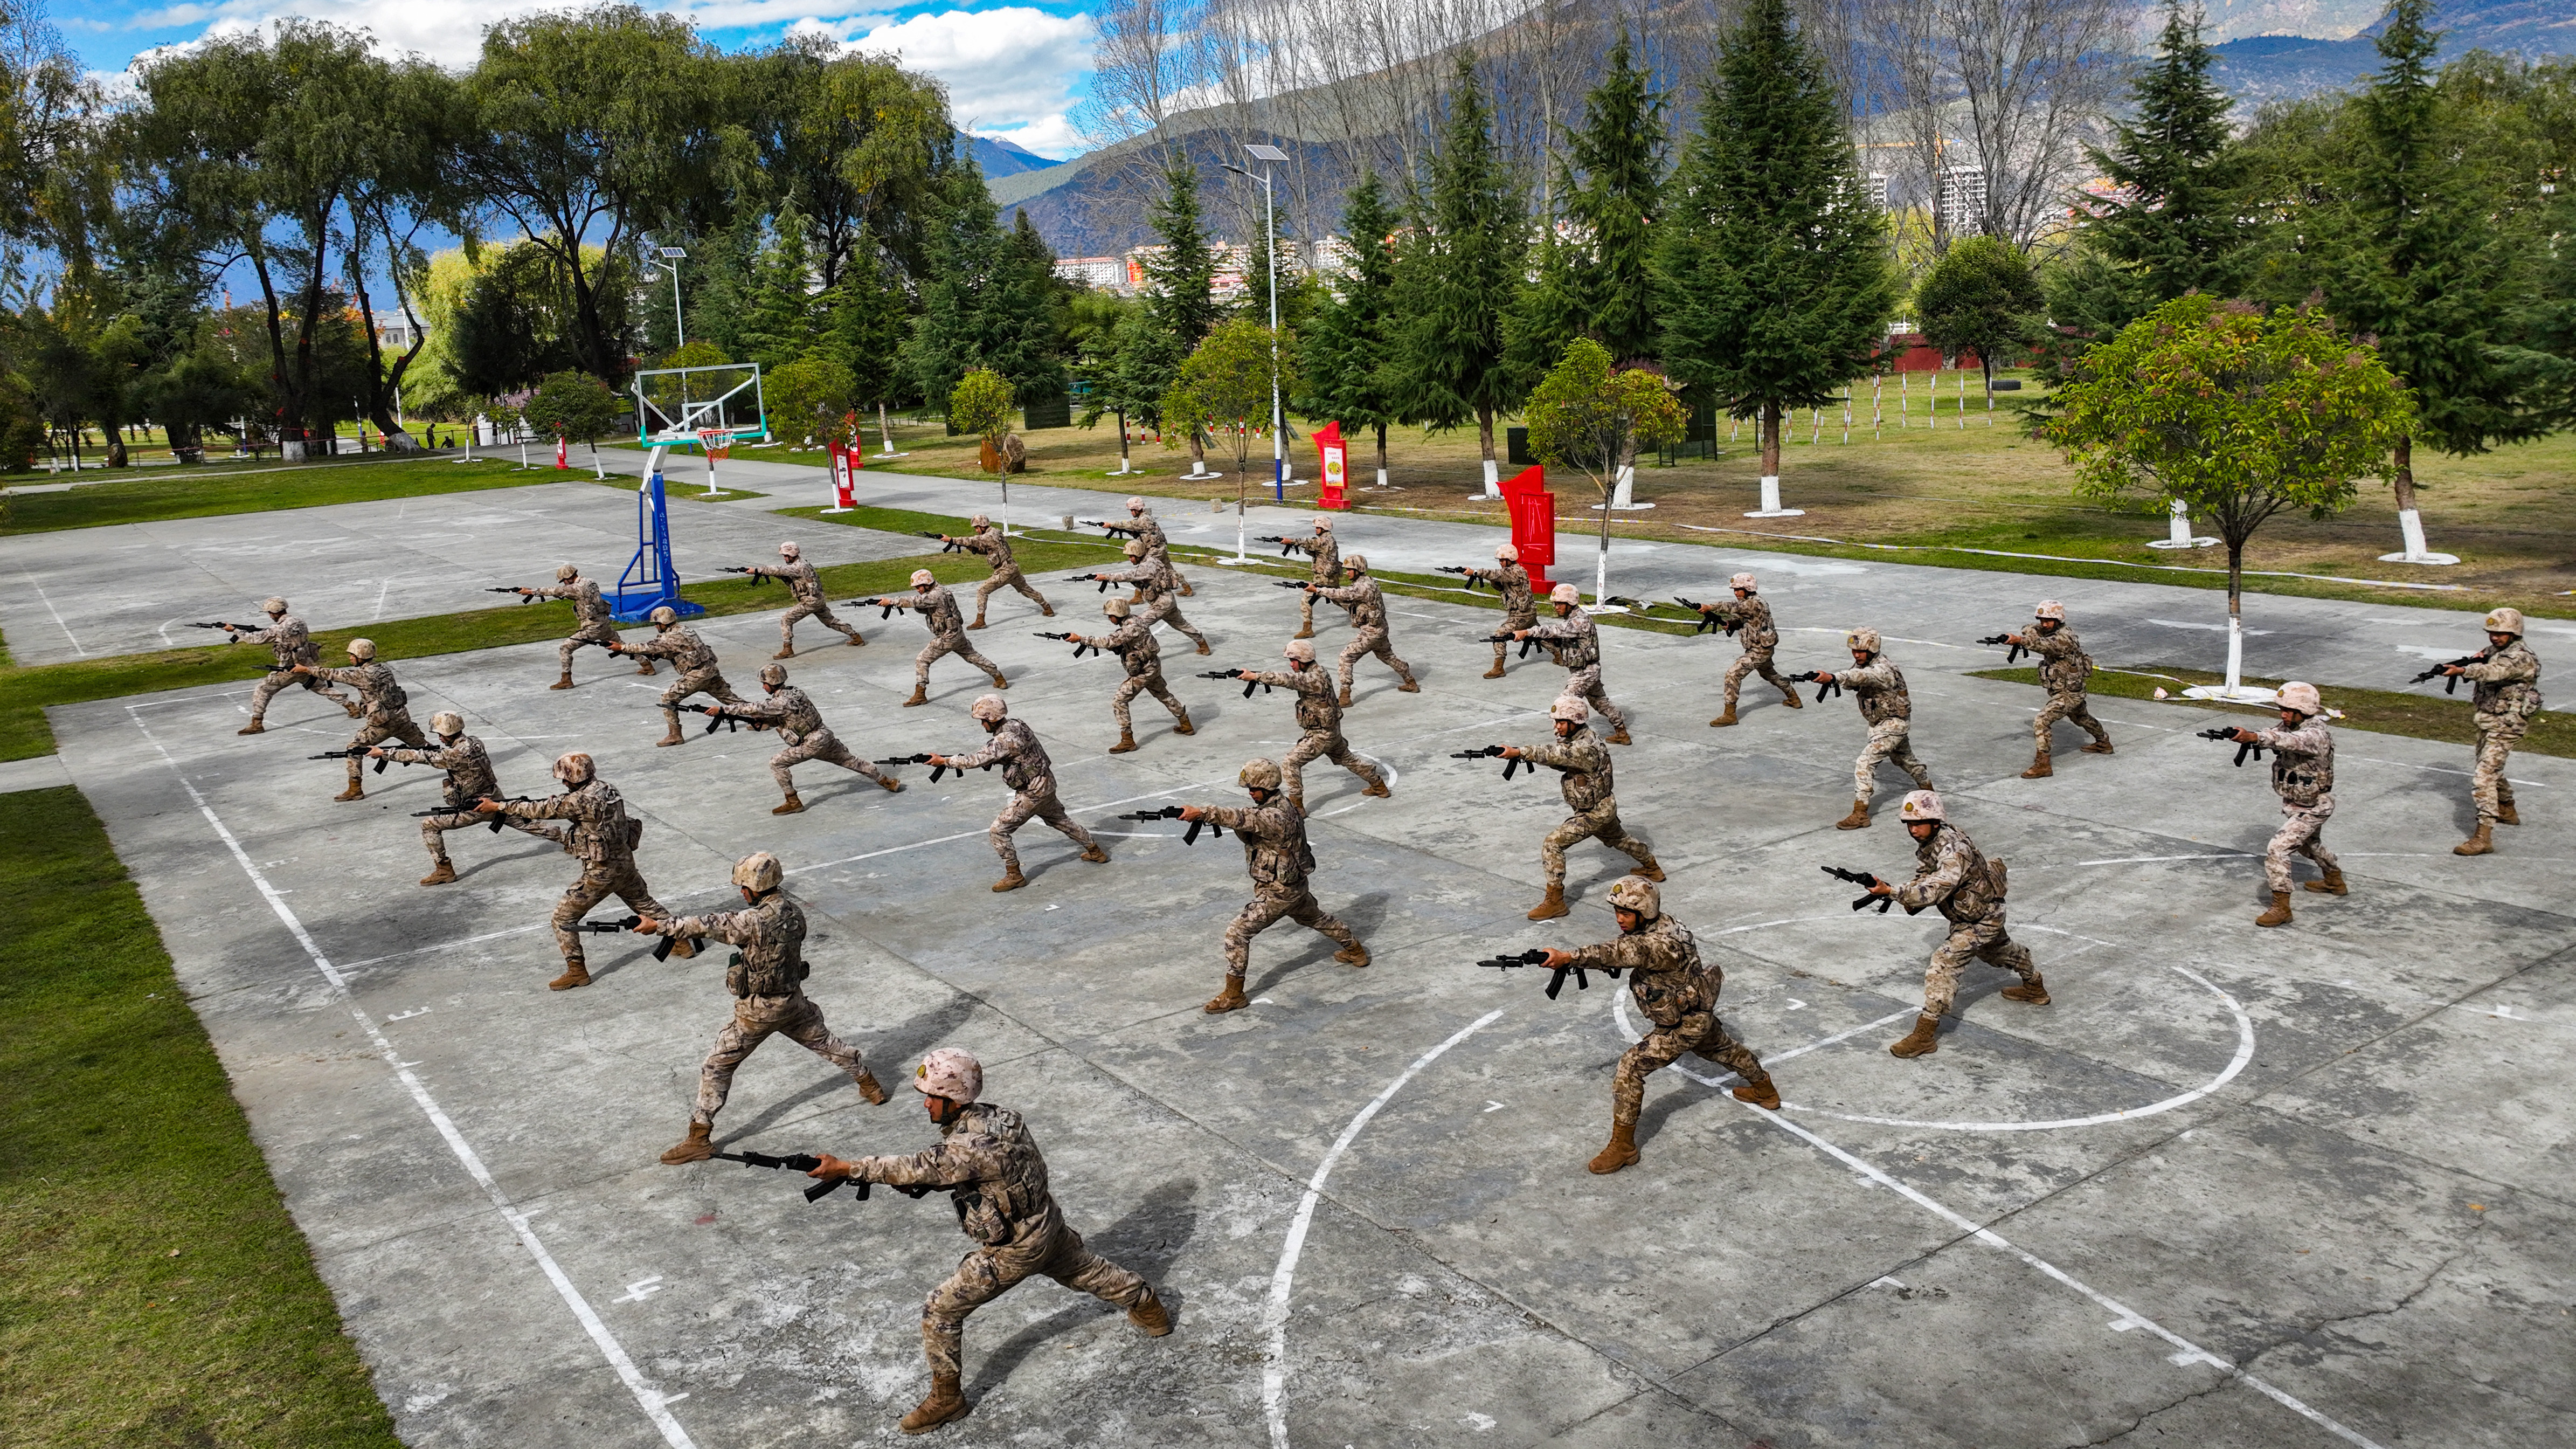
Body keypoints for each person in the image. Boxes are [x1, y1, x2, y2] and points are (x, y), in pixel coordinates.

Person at [804, 1049, 1171, 1435]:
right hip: (1045, 1223)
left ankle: (947, 1400)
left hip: (1014, 1248)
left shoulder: (968, 1148)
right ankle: (1148, 1306)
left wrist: (847, 1167)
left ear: (955, 1099)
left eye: (933, 1097)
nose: (926, 1103)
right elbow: (971, 1170)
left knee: (941, 1311)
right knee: (1083, 1269)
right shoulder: (1000, 1117)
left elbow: (922, 1165)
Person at [639, 851, 890, 1167]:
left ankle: (699, 1138)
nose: (742, 892)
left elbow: (705, 925)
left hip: (758, 1012)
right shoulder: (795, 912)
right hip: (792, 1002)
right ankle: (870, 1084)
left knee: (716, 1066)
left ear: (756, 887)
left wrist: (658, 925)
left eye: (744, 886)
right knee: (827, 1044)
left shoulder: (752, 920)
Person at [1534, 875, 1777, 1175]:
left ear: (1645, 911)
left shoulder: (1658, 943)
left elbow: (1620, 952)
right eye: (1617, 912)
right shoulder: (1664, 924)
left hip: (1683, 1024)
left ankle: (1623, 1147)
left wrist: (1569, 957)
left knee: (1631, 1067)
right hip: (1694, 1012)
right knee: (1723, 1049)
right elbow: (1624, 952)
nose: (1620, 919)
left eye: (1626, 913)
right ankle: (1765, 1090)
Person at [476, 752, 698, 990]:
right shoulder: (608, 789)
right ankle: (681, 941)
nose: (563, 783)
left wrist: (498, 805)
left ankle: (577, 971)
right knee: (645, 904)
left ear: (575, 776)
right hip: (624, 864)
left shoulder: (578, 800)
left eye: (565, 778)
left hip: (600, 873)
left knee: (563, 919)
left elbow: (541, 809)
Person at [1864, 790, 2047, 1059]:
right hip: (1972, 913)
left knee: (1943, 962)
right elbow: (1926, 876)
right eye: (1909, 824)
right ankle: (2035, 985)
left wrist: (1893, 892)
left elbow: (1939, 886)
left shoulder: (1954, 849)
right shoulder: (1930, 841)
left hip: (1983, 917)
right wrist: (1909, 896)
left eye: (1918, 823)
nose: (1913, 829)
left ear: (1936, 821)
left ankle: (1924, 1035)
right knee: (1999, 952)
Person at [1178, 758, 1369, 1013]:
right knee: (1315, 918)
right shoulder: (1279, 803)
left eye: (1254, 788)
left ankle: (1234, 995)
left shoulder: (1275, 816)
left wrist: (1202, 813)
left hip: (1279, 891)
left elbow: (1242, 817)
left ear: (1267, 786)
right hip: (1293, 886)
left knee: (1238, 933)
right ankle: (1355, 950)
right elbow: (1247, 819)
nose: (1250, 793)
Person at [1500, 696, 1663, 920]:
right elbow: (1561, 761)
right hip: (1602, 807)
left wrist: (1519, 753)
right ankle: (1651, 866)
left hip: (1594, 813)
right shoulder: (1580, 737)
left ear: (1575, 721)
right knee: (1619, 839)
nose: (1556, 727)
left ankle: (1555, 901)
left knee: (1553, 844)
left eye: (1561, 722)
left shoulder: (1585, 747)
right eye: (1555, 721)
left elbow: (1555, 754)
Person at [929, 695, 1109, 891]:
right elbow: (1010, 754)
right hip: (1046, 784)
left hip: (1032, 793)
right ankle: (1095, 851)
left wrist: (944, 761)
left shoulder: (1004, 740)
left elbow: (975, 760)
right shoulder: (1017, 725)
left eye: (983, 720)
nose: (982, 725)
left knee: (998, 831)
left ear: (992, 718)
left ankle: (1014, 875)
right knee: (1060, 820)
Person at [374, 712, 565, 885]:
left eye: (441, 734)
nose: (439, 738)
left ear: (449, 732)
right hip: (494, 798)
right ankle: (568, 840)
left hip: (475, 807)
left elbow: (422, 757)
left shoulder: (454, 755)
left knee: (429, 825)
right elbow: (440, 754)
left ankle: (444, 870)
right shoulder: (474, 742)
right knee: (524, 822)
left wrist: (384, 753)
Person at [2222, 681, 2342, 927]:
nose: (2283, 714)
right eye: (2282, 709)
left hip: (2313, 807)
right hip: (2299, 803)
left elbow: (2286, 742)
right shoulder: (2294, 725)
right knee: (2310, 846)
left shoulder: (2314, 735)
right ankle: (2334, 880)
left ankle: (2281, 908)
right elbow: (2274, 734)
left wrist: (2255, 737)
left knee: (2278, 849)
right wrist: (2246, 736)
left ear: (2304, 711)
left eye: (2288, 710)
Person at [715, 663, 903, 814]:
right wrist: (763, 723)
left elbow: (755, 708)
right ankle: (886, 782)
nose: (763, 686)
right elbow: (785, 717)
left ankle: (793, 801)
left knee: (777, 764)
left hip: (810, 743)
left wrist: (722, 710)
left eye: (764, 683)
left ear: (773, 683)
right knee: (850, 761)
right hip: (824, 736)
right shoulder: (796, 692)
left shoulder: (780, 701)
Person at [1230, 639, 1389, 808]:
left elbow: (1287, 680)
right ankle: (1379, 785)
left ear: (1303, 660)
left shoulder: (1312, 679)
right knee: (1348, 759)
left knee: (1291, 762)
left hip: (1321, 735)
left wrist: (1255, 676)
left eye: (1293, 661)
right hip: (1331, 731)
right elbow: (1292, 678)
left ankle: (1297, 807)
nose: (1291, 665)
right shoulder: (1319, 671)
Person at [1808, 628, 1933, 830]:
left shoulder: (1883, 669)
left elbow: (1860, 677)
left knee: (1865, 763)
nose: (1856, 655)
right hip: (1882, 723)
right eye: (1854, 650)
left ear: (1873, 649)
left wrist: (1832, 678)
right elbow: (1854, 679)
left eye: (1861, 651)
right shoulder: (1866, 663)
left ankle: (1861, 813)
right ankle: (1928, 789)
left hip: (1893, 724)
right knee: (1904, 760)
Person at [2445, 607, 2543, 856]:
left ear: (2514, 633)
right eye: (2492, 633)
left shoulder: (2521, 657)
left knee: (2484, 777)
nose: (2494, 637)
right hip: (2489, 719)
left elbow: (2493, 672)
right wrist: (2463, 663)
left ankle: (2483, 837)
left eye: (2501, 633)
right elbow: (2483, 659)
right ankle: (2507, 808)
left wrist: (2464, 671)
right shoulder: (2496, 650)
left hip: (2508, 723)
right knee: (2490, 769)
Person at [292, 638, 428, 801]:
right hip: (402, 720)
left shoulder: (364, 675)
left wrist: (307, 669)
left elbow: (336, 675)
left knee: (354, 748)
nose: (350, 658)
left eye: (352, 655)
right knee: (427, 750)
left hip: (382, 724)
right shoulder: (384, 669)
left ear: (361, 656)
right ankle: (455, 762)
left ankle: (355, 788)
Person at [1060, 597, 1193, 753]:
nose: (1109, 619)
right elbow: (1122, 641)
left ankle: (1127, 740)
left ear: (1118, 614)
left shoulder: (1130, 628)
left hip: (1144, 671)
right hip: (1153, 666)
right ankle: (1186, 724)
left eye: (1111, 615)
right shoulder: (1134, 620)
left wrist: (1081, 639)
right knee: (1163, 694)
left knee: (1119, 700)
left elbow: (1110, 641)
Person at [609, 605, 745, 747]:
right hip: (710, 672)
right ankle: (762, 715)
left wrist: (622, 648)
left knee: (668, 699)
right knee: (730, 699)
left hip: (696, 677)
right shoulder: (684, 630)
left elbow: (648, 647)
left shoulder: (672, 637)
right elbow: (677, 651)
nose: (656, 627)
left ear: (664, 622)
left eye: (657, 624)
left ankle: (675, 735)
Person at [2005, 600, 2110, 778]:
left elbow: (2047, 646)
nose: (2044, 624)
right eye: (2042, 620)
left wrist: (2022, 641)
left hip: (2070, 693)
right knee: (2082, 718)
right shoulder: (2047, 630)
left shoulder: (2065, 638)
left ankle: (2043, 765)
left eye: (2048, 620)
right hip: (2066, 690)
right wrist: (2019, 638)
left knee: (2042, 720)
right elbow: (2029, 628)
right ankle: (2104, 743)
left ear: (2059, 620)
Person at [220, 597, 357, 734]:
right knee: (322, 688)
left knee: (263, 690)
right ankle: (351, 707)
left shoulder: (277, 629)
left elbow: (254, 639)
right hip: (306, 665)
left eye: (270, 613)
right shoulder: (300, 621)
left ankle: (257, 723)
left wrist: (234, 630)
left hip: (288, 669)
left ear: (275, 612)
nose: (270, 615)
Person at [1515, 584, 1630, 744]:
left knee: (1564, 705)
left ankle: (1563, 744)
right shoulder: (1574, 620)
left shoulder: (1579, 621)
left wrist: (1526, 632)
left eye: (1560, 604)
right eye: (1555, 603)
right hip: (1587, 670)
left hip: (1585, 673)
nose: (1556, 607)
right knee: (1600, 702)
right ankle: (1622, 733)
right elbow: (1564, 638)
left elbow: (1555, 630)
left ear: (1570, 603)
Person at [882, 569, 1008, 707]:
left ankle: (920, 695)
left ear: (927, 583)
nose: (917, 590)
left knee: (922, 660)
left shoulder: (936, 594)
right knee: (973, 656)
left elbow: (916, 601)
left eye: (919, 586)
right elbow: (924, 606)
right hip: (957, 634)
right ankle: (999, 678)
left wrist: (891, 601)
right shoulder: (942, 591)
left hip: (947, 637)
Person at [1307, 553, 1419, 705]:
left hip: (1371, 633)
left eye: (1350, 570)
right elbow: (1348, 597)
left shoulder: (1363, 586)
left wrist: (1318, 591)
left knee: (1346, 658)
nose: (1347, 572)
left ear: (1358, 569)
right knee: (1388, 657)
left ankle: (1345, 697)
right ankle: (1411, 682)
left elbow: (1345, 594)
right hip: (1380, 629)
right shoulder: (1368, 581)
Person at [516, 563, 650, 689]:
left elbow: (555, 590)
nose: (564, 583)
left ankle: (566, 679)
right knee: (620, 645)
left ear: (568, 578)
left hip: (592, 628)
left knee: (565, 648)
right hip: (603, 623)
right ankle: (646, 665)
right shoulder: (590, 582)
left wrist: (530, 592)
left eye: (564, 581)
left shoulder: (576, 588)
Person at [1695, 573, 1801, 726]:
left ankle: (1730, 715)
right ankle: (1793, 698)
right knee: (1770, 675)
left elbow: (1735, 607)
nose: (1736, 593)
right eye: (1735, 590)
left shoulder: (1755, 604)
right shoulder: (1749, 603)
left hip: (1760, 651)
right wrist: (1730, 624)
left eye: (1739, 589)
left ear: (1748, 589)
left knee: (1733, 674)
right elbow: (1744, 620)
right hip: (1760, 649)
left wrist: (1710, 607)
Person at [745, 541, 865, 657]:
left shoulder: (799, 567)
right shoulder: (802, 564)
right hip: (818, 599)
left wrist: (757, 570)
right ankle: (855, 637)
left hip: (810, 602)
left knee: (786, 620)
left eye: (786, 556)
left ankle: (788, 649)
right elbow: (787, 576)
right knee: (830, 621)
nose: (784, 558)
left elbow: (779, 569)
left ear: (792, 554)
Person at [1092, 539, 1210, 654]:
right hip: (1167, 600)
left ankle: (1135, 651)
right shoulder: (1154, 561)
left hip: (1160, 604)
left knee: (1136, 625)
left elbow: (1128, 575)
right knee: (1182, 625)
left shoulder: (1147, 567)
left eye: (1131, 556)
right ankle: (1203, 645)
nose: (1130, 559)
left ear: (1138, 554)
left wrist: (1106, 577)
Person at [945, 514, 1054, 629]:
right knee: (1027, 590)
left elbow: (973, 540)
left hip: (1005, 571)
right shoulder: (994, 533)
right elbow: (986, 550)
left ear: (983, 526)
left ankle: (980, 620)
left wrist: (951, 540)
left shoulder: (989, 536)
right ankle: (1047, 608)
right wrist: (970, 548)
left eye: (977, 528)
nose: (976, 531)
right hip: (1012, 568)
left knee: (982, 591)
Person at [1461, 544, 1536, 679]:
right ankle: (1559, 655)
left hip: (1522, 615)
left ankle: (1499, 667)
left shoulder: (1515, 572)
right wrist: (1492, 580)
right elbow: (1500, 585)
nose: (1500, 563)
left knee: (1499, 635)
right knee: (1539, 634)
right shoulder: (1511, 571)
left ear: (1510, 559)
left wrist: (1475, 572)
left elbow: (1496, 574)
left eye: (1502, 560)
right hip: (1525, 613)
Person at [1097, 495, 1193, 596]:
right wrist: (1123, 531)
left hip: (1154, 551)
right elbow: (1140, 533)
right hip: (1160, 548)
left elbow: (1129, 524)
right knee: (1169, 570)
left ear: (1137, 509)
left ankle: (1138, 596)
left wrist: (1111, 524)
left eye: (1132, 510)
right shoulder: (1146, 518)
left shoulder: (1143, 520)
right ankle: (1187, 588)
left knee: (1142, 570)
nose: (1131, 513)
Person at [1279, 516, 1346, 639]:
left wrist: (1291, 541)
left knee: (1306, 601)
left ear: (1324, 528)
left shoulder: (1325, 541)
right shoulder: (1326, 540)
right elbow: (1312, 548)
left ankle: (1308, 629)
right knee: (1339, 599)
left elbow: (1309, 542)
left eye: (1318, 527)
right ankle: (1361, 613)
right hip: (1327, 577)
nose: (1316, 529)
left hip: (1324, 579)